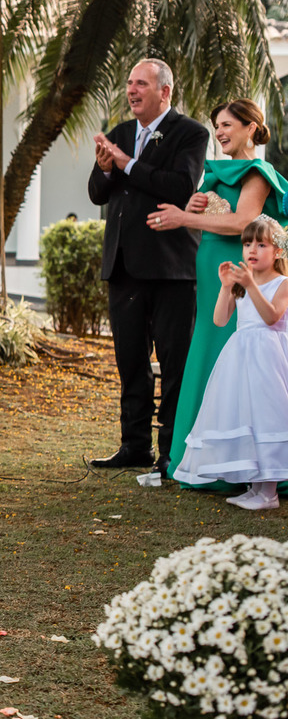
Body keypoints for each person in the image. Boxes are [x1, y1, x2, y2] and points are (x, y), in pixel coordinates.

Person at [145, 99, 288, 481]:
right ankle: (200, 459)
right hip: (211, 270)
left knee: (234, 356)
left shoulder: (256, 172)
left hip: (238, 268)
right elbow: (213, 215)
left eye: (228, 125)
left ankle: (239, 468)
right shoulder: (215, 172)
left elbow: (244, 221)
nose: (220, 132)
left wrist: (183, 216)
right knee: (209, 345)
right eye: (217, 126)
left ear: (251, 128)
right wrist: (198, 204)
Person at [87, 58, 209, 475]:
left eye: (141, 83)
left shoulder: (191, 133)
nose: (132, 90)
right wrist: (106, 169)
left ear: (165, 91)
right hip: (123, 268)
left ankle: (171, 452)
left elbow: (180, 186)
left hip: (172, 269)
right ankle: (133, 446)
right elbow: (97, 193)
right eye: (129, 83)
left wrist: (127, 165)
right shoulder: (120, 134)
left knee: (175, 363)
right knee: (130, 363)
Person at [176, 216, 288, 510]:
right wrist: (226, 287)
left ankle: (269, 492)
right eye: (247, 243)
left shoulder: (282, 283)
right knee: (246, 415)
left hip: (269, 358)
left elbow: (272, 317)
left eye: (261, 244)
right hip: (240, 357)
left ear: (277, 251)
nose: (252, 249)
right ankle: (254, 486)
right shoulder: (241, 284)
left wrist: (250, 284)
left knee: (267, 416)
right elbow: (220, 319)